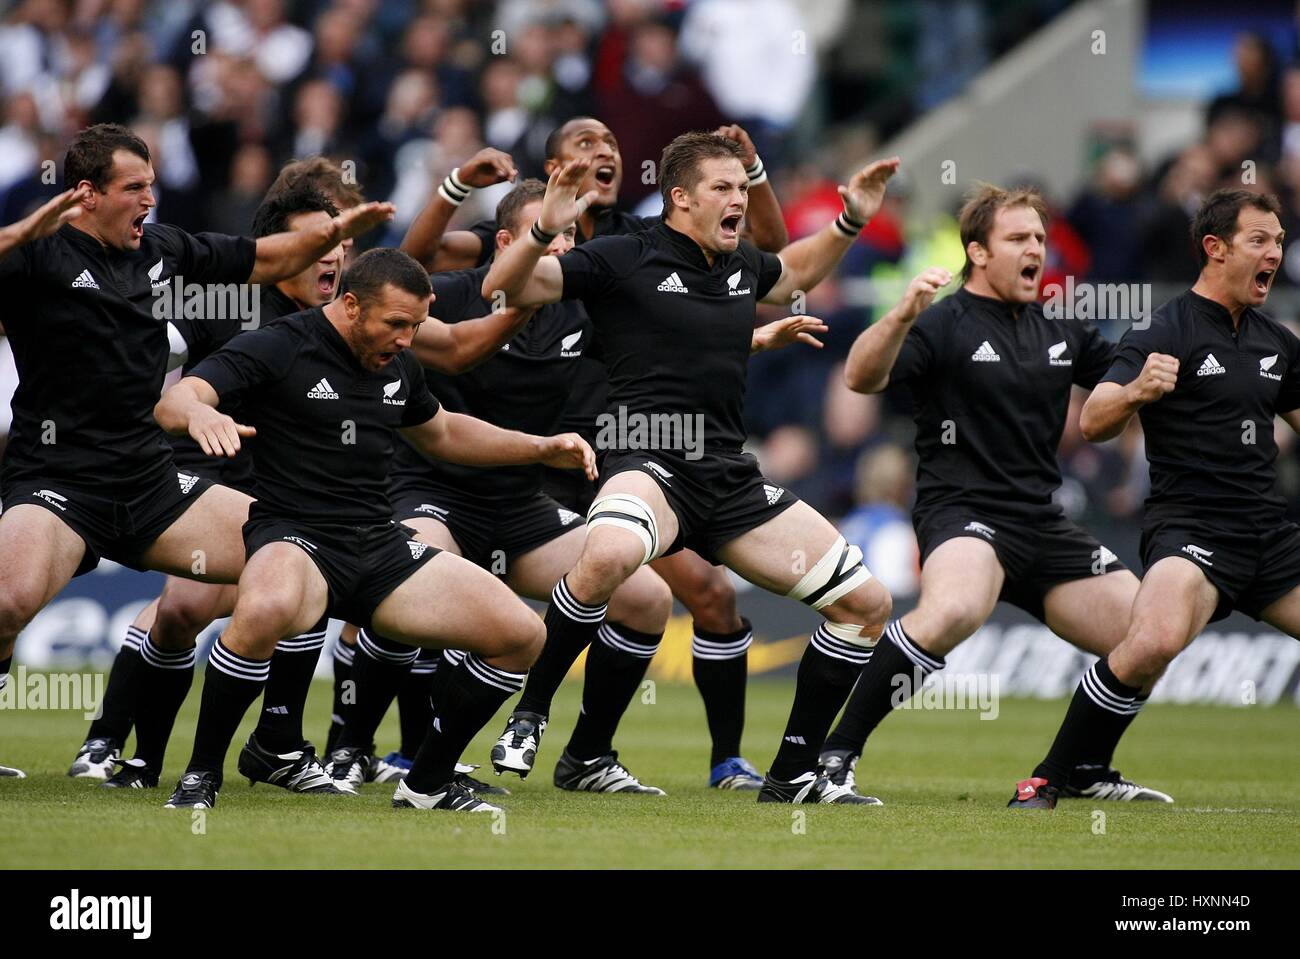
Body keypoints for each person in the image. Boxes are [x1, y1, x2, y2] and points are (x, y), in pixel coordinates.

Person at [480, 132, 896, 804]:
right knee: (612, 551)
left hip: (727, 474)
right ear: (681, 199)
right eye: (724, 189)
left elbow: (794, 274)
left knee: (866, 605)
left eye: (742, 187)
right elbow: (507, 287)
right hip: (645, 456)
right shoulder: (625, 252)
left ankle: (791, 774)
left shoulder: (737, 264)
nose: (741, 200)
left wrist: (851, 219)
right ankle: (531, 712)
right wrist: (543, 226)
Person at [0, 123, 393, 780]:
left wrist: (331, 235)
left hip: (150, 478)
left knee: (297, 553)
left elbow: (263, 258)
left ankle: (273, 745)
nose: (149, 200)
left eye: (152, 185)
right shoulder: (38, 257)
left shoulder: (163, 248)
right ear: (85, 195)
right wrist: (14, 236)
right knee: (8, 604)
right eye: (134, 188)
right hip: (59, 482)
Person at [405, 120, 792, 788]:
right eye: (584, 146)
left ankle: (635, 753)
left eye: (611, 144)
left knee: (699, 592)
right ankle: (403, 751)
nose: (603, 153)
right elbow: (421, 259)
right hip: (542, 459)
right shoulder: (529, 236)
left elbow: (741, 278)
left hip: (625, 453)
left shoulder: (637, 237)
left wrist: (747, 339)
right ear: (554, 169)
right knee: (452, 596)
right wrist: (458, 186)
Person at [155, 248, 597, 811]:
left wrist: (539, 448)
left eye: (416, 325)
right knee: (263, 611)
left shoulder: (398, 362)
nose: (408, 339)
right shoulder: (282, 343)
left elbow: (443, 434)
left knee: (521, 635)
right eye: (396, 324)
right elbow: (179, 397)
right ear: (350, 305)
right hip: (296, 535)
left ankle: (427, 783)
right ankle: (200, 775)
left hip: (379, 542)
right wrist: (200, 413)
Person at [820, 183, 1166, 807]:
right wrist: (899, 315)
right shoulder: (942, 322)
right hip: (963, 514)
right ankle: (834, 759)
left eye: (1039, 237)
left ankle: (1083, 769)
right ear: (978, 252)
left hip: (1043, 522)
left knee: (1152, 632)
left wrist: (1149, 383)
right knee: (952, 612)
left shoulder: (1062, 327)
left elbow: (1121, 383)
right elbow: (860, 376)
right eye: (1018, 238)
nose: (1035, 248)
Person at [1011, 189, 1300, 808]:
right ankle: (1049, 778)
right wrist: (1138, 388)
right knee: (1152, 643)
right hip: (1192, 532)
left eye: (1278, 241)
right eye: (1260, 240)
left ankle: (1083, 772)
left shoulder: (1278, 340)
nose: (1274, 252)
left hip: (1271, 538)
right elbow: (1093, 419)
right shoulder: (1165, 326)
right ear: (1215, 250)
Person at [69, 183, 346, 791]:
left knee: (310, 572)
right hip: (199, 465)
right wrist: (194, 412)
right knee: (186, 607)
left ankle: (280, 744)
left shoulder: (349, 317)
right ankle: (125, 746)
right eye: (314, 244)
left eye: (339, 244)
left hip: (284, 486)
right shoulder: (224, 303)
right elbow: (160, 381)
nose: (330, 256)